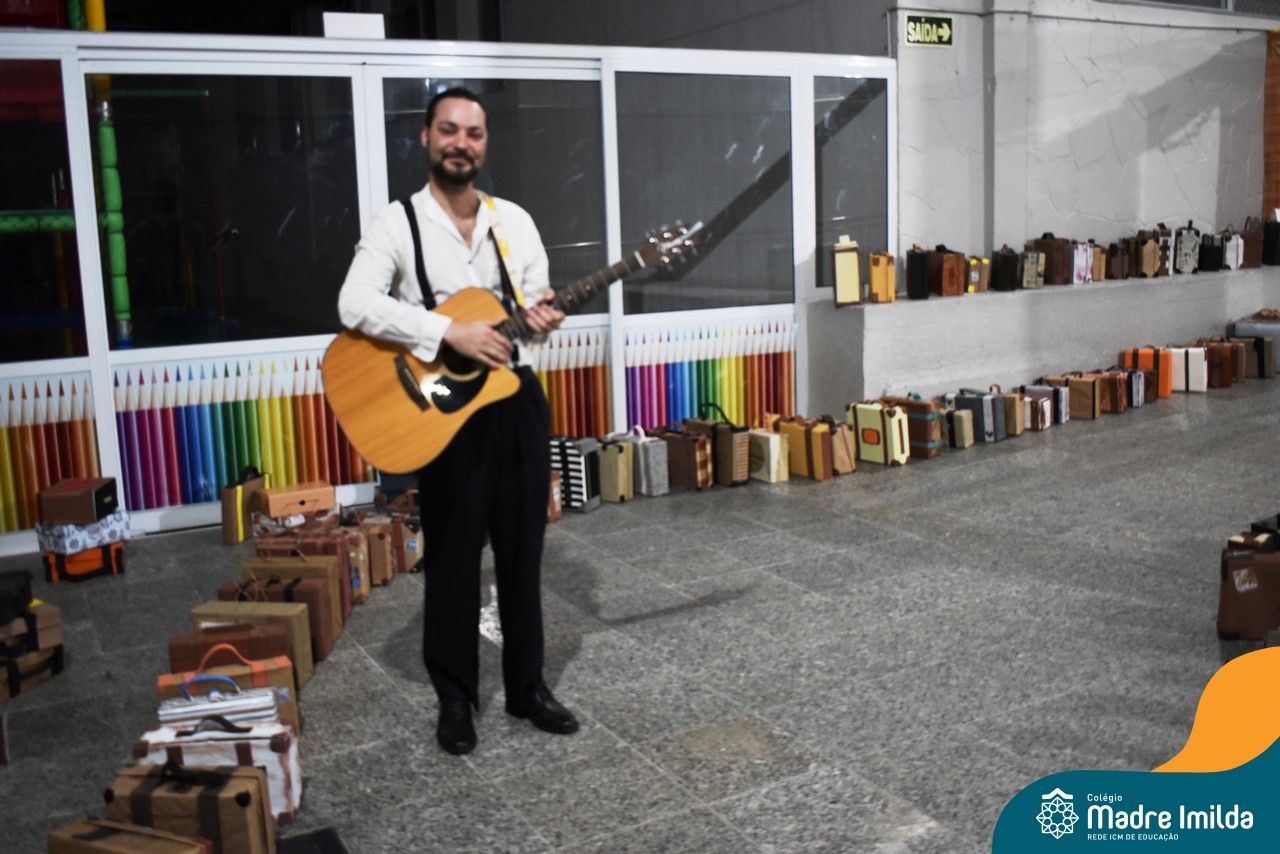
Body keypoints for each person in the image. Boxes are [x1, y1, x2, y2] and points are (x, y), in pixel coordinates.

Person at [337, 86, 577, 755]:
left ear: (485, 143)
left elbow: (534, 312)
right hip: (441, 407)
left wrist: (543, 319)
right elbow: (354, 304)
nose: (460, 144)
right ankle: (454, 696)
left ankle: (527, 687)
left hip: (515, 400)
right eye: (448, 130)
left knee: (523, 552)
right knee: (452, 556)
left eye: (473, 133)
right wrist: (446, 331)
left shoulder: (514, 222)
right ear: (425, 137)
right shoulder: (397, 224)